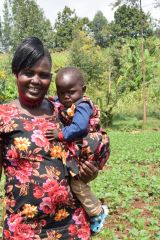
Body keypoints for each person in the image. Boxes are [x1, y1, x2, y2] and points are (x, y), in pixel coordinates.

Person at [0, 37, 99, 240]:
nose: (36, 80)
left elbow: (86, 149)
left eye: (43, 75)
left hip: (73, 226)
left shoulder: (64, 111)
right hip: (23, 230)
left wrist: (88, 172)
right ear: (15, 73)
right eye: (28, 73)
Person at [45, 67, 109, 235]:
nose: (66, 96)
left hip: (89, 148)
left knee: (77, 184)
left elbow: (80, 127)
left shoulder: (82, 105)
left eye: (71, 92)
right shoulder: (69, 103)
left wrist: (60, 134)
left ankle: (97, 212)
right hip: (82, 148)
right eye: (61, 92)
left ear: (83, 90)